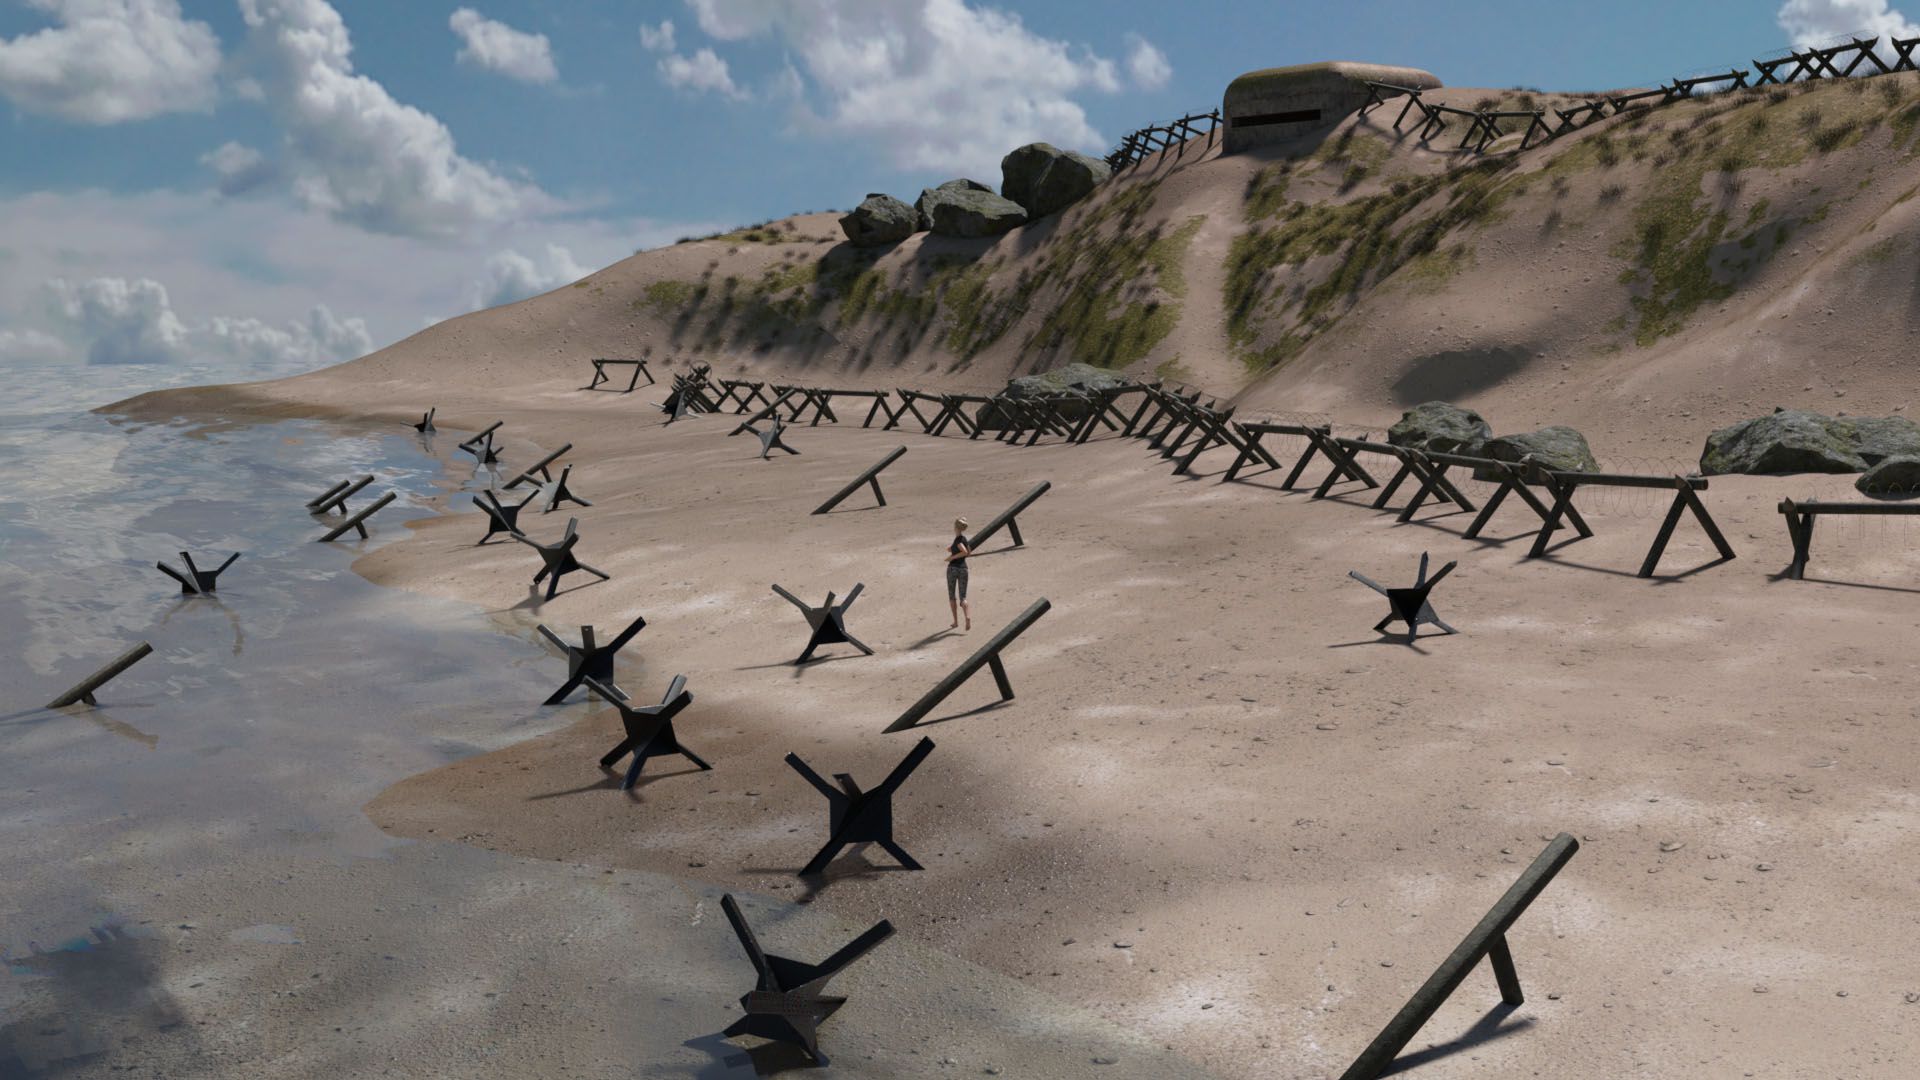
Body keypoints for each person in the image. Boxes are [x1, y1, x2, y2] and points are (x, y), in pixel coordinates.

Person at [945, 518, 972, 631]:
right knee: (963, 597)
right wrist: (952, 549)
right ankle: (967, 616)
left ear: (955, 527)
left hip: (952, 569)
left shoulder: (958, 540)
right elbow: (969, 552)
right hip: (963, 569)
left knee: (952, 596)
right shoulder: (964, 539)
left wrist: (952, 557)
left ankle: (956, 622)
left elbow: (964, 552)